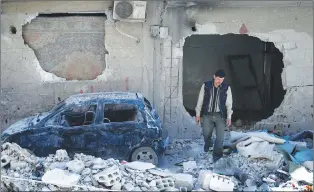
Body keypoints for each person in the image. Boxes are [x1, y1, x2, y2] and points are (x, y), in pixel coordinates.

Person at [195, 69, 233, 162]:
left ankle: (217, 157)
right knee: (206, 134)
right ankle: (209, 144)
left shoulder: (226, 87)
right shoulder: (206, 86)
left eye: (222, 79)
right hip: (207, 115)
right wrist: (198, 114)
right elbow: (200, 100)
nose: (219, 81)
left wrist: (229, 117)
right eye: (218, 78)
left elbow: (229, 103)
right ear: (214, 77)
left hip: (220, 115)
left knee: (220, 137)